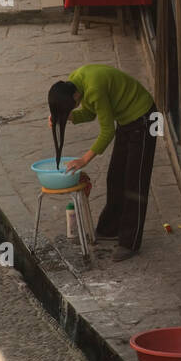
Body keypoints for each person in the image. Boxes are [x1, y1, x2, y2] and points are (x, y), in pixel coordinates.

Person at [48, 65, 157, 262]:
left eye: (71, 108)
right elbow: (90, 113)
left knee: (135, 182)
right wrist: (66, 116)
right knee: (115, 177)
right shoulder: (76, 83)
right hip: (126, 121)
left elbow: (107, 132)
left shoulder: (94, 88)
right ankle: (109, 228)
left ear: (74, 98)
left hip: (145, 119)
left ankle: (129, 242)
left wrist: (84, 159)